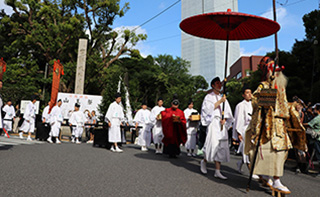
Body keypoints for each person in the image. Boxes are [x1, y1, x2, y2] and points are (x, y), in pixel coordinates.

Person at [244, 57, 305, 194]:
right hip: (268, 125)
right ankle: (275, 180)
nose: (277, 74)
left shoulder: (281, 87)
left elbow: (282, 106)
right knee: (271, 152)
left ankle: (267, 176)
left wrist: (292, 107)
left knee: (281, 152)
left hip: (280, 125)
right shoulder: (264, 85)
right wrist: (266, 96)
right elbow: (254, 101)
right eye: (274, 70)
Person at [199, 77, 233, 179]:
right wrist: (219, 102)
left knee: (221, 146)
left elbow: (228, 113)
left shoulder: (224, 98)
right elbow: (207, 110)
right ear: (213, 85)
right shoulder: (208, 97)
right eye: (217, 83)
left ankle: (217, 171)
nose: (220, 85)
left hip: (221, 125)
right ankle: (204, 161)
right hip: (213, 123)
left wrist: (225, 120)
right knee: (212, 145)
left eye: (220, 83)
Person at [232, 85, 259, 179]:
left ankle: (240, 163)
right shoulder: (240, 105)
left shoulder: (254, 104)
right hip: (244, 130)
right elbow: (238, 119)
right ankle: (252, 171)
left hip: (253, 130)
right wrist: (239, 133)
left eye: (250, 92)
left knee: (252, 150)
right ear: (243, 95)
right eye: (247, 93)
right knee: (246, 151)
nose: (249, 95)